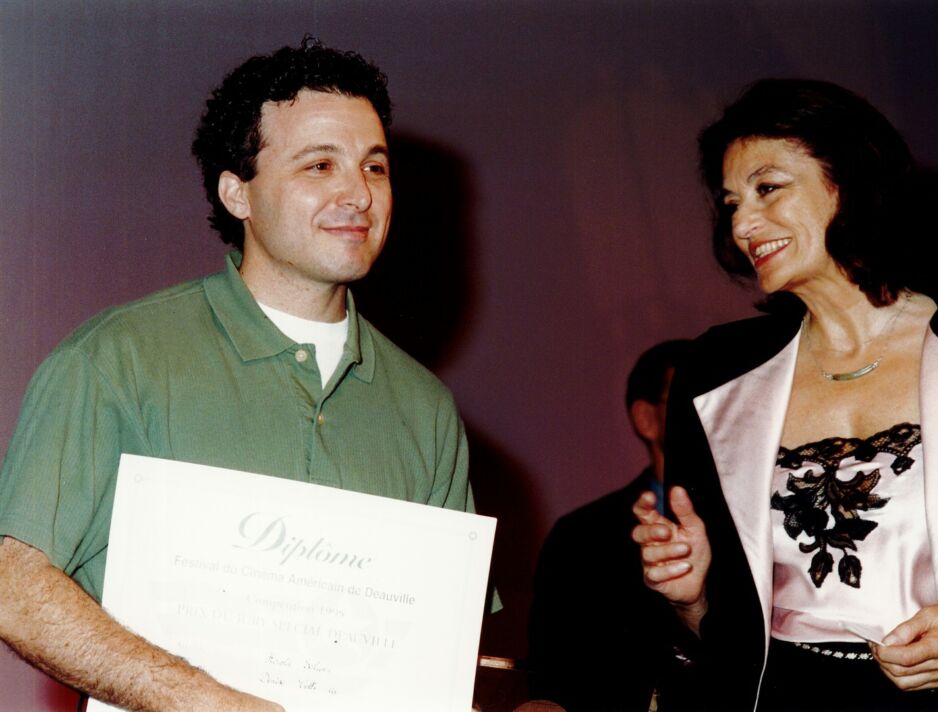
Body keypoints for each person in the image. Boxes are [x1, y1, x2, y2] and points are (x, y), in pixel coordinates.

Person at [0, 38, 477, 711]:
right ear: (237, 193)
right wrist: (201, 701)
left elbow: (439, 647)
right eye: (320, 165)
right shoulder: (115, 361)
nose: (358, 194)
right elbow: (13, 587)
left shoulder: (426, 410)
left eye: (375, 166)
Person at [632, 79, 938, 711]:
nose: (742, 224)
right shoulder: (716, 374)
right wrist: (692, 595)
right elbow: (720, 638)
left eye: (767, 188)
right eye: (731, 204)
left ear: (851, 180)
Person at [527, 340, 693, 711]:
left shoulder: (769, 521)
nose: (710, 413)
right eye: (689, 398)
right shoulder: (581, 537)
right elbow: (550, 673)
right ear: (646, 418)